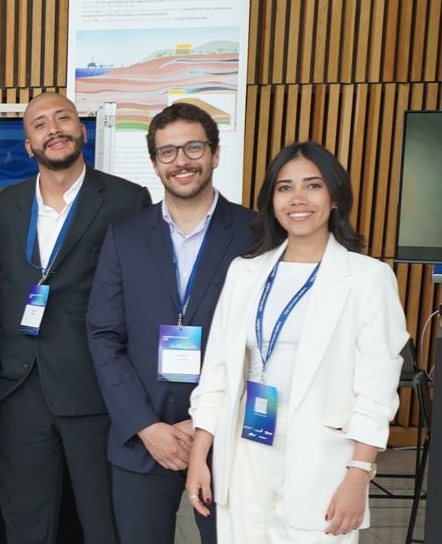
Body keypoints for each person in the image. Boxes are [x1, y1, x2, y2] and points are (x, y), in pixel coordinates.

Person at [185, 141, 407, 544]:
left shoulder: (367, 278)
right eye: (285, 188)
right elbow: (217, 368)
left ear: (335, 196)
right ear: (271, 200)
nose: (298, 199)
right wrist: (200, 454)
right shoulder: (246, 272)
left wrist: (359, 475)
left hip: (323, 455)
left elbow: (376, 388)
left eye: (313, 186)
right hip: (245, 448)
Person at [0, 91, 150, 543]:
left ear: (82, 130)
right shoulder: (2, 206)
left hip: (93, 389)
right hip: (18, 389)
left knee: (102, 521)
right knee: (25, 521)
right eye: (40, 124)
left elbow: (145, 294)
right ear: (27, 145)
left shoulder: (127, 201)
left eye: (63, 118)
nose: (53, 129)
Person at [86, 102, 254, 544]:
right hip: (144, 436)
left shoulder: (256, 234)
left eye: (193, 147)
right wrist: (146, 425)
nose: (181, 161)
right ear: (155, 163)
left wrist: (204, 423)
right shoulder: (124, 236)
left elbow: (263, 343)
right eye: (168, 152)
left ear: (215, 154)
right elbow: (104, 336)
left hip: (227, 437)